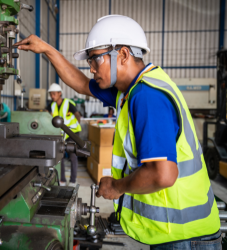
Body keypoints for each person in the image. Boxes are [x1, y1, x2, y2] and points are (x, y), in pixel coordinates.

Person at [14, 15, 220, 249]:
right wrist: (47, 49)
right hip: (175, 233)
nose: (91, 68)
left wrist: (116, 186)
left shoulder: (147, 97)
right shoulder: (128, 92)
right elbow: (81, 83)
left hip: (186, 239)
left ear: (122, 55)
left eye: (95, 59)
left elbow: (163, 174)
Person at [46, 83, 82, 186]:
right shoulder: (52, 105)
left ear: (59, 93)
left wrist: (76, 129)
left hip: (73, 132)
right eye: (51, 94)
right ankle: (62, 180)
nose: (52, 96)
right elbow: (44, 114)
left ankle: (73, 181)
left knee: (73, 156)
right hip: (62, 134)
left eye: (54, 94)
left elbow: (77, 115)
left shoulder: (68, 103)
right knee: (59, 156)